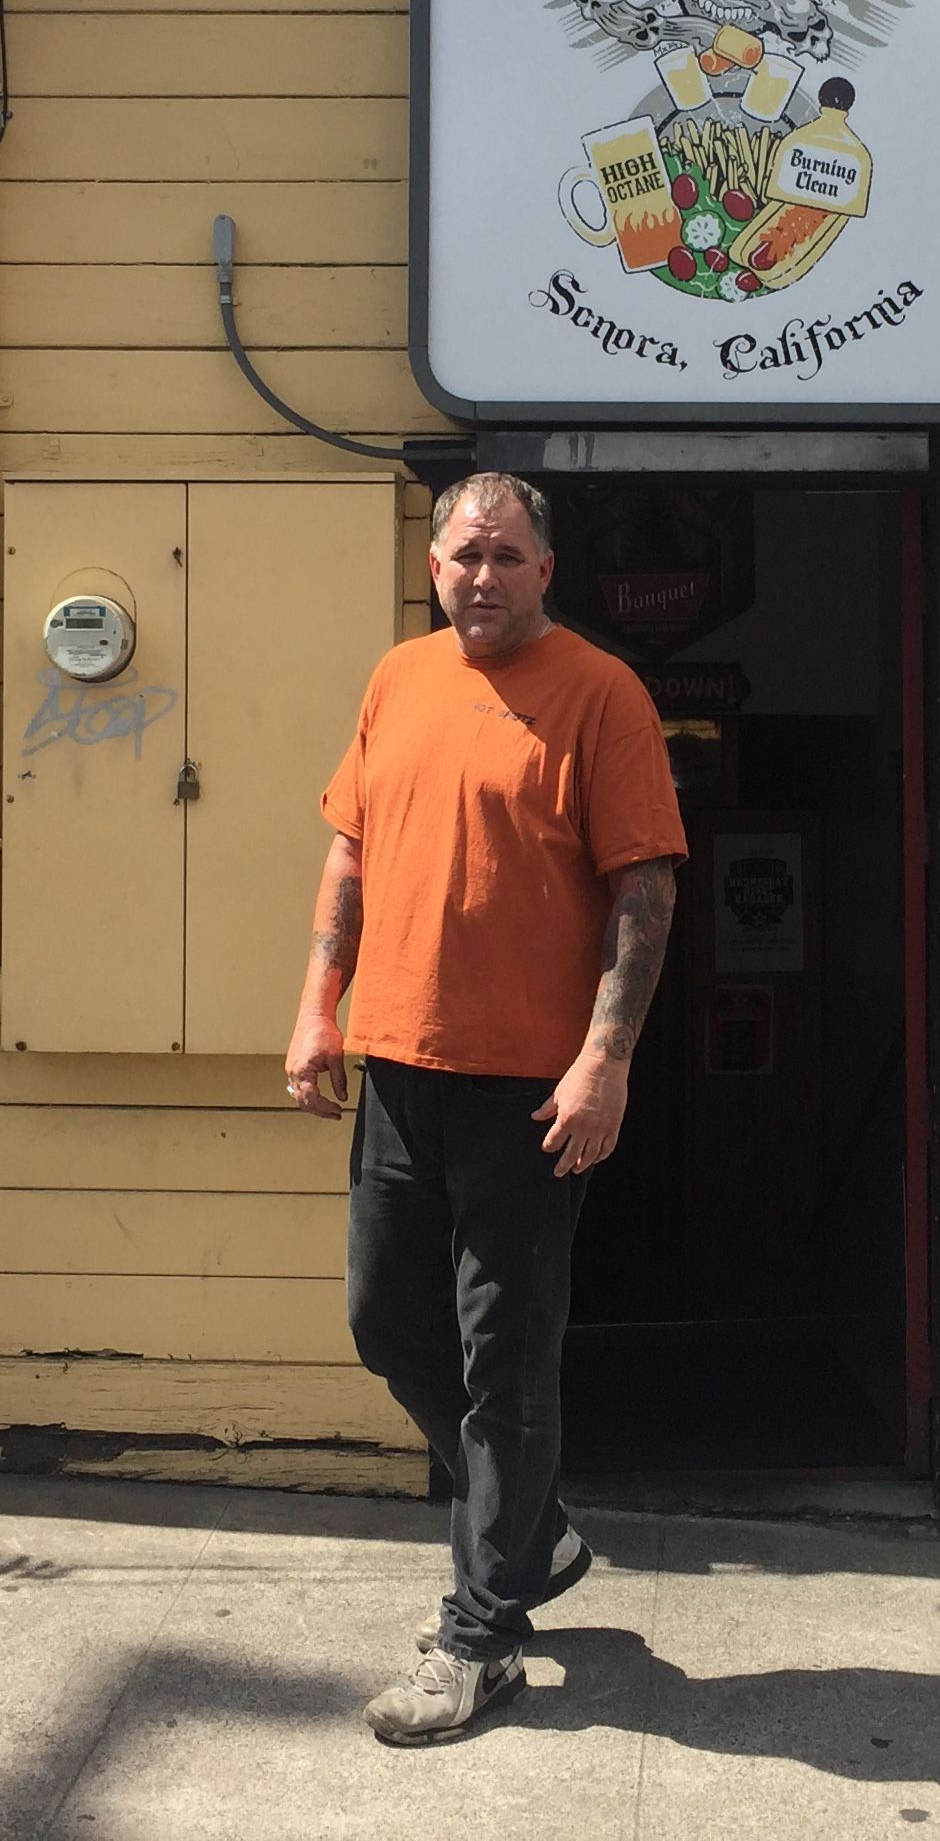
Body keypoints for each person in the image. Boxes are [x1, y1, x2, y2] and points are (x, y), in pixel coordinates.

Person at [284, 470, 684, 1744]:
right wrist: (317, 1007)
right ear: (434, 562)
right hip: (400, 1064)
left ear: (546, 569)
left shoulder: (602, 693)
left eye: (508, 556)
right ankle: (533, 1534)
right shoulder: (399, 678)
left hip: (529, 1091)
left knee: (505, 1360)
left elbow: (646, 890)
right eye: (465, 554)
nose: (484, 576)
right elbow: (351, 851)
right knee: (384, 1320)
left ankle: (481, 1635)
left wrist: (605, 1060)